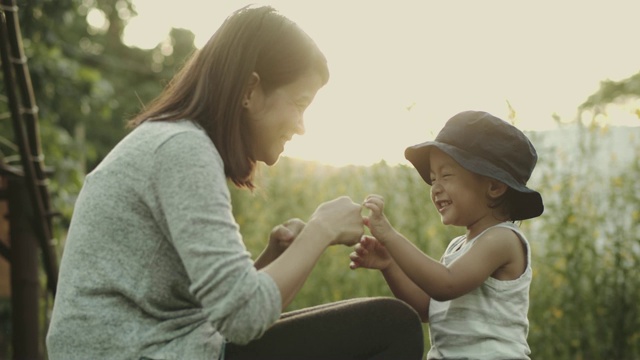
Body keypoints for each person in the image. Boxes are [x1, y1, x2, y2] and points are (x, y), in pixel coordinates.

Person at [46, 5, 424, 360]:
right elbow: (243, 319)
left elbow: (222, 310)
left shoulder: (174, 142)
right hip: (137, 351)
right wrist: (321, 230)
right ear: (249, 90)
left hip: (152, 344)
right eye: (299, 103)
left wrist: (272, 260)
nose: (301, 126)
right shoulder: (182, 150)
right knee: (392, 325)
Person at [350, 110, 544, 360]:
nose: (436, 188)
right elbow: (428, 309)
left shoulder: (502, 240)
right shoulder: (458, 246)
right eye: (433, 179)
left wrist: (389, 235)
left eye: (446, 175)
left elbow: (446, 284)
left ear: (494, 186)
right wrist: (389, 264)